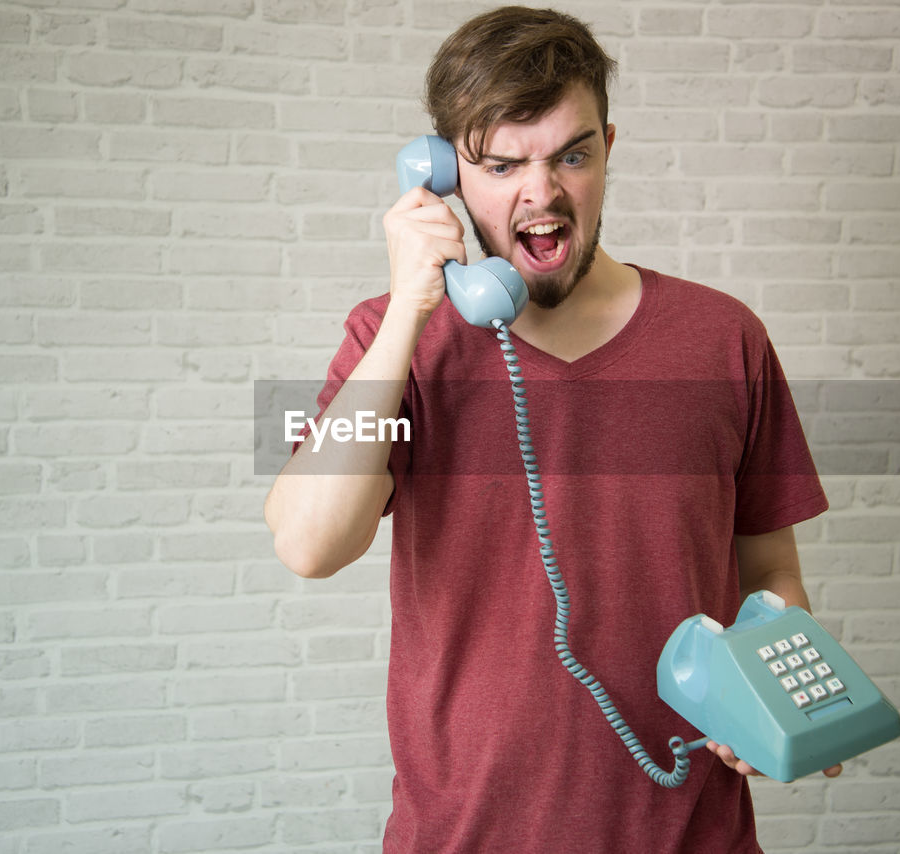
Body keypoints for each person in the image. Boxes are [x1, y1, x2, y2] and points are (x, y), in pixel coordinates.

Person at [265, 7, 837, 852]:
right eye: (502, 164)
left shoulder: (725, 338)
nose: (543, 194)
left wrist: (769, 691)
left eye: (572, 155)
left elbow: (771, 570)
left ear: (609, 145)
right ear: (443, 174)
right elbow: (310, 545)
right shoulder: (388, 340)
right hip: (465, 835)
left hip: (689, 832)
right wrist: (407, 317)